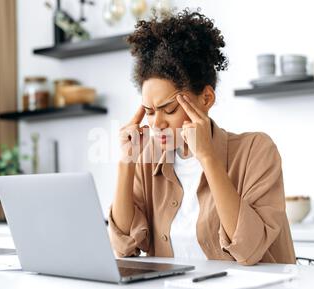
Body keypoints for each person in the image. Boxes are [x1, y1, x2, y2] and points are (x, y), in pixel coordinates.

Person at [109, 9, 296, 266]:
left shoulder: (256, 150)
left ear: (206, 98)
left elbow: (249, 249)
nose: (157, 124)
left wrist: (207, 156)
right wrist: (125, 163)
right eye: (149, 112)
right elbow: (123, 247)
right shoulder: (148, 160)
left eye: (170, 109)